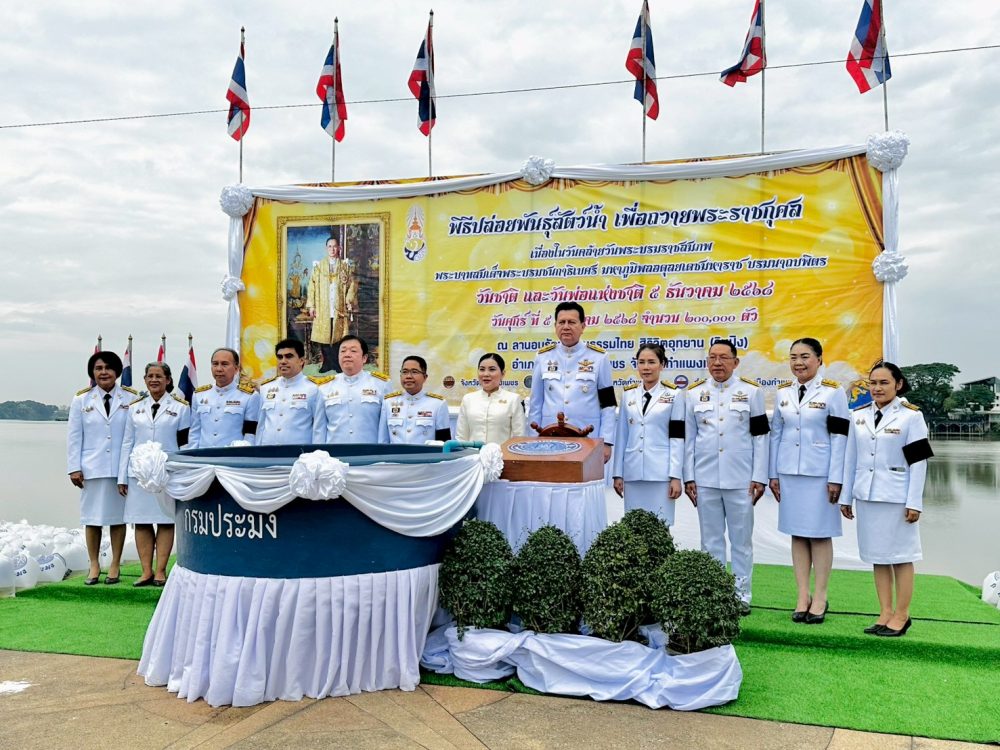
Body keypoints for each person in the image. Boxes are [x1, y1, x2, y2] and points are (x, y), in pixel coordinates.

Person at [840, 361, 932, 637]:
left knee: (901, 557)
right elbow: (850, 459)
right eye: (873, 383)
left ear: (898, 384)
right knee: (878, 556)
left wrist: (914, 502)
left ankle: (902, 615)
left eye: (884, 383)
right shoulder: (858, 415)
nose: (877, 388)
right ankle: (885, 612)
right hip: (867, 495)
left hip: (897, 497)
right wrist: (846, 496)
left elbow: (919, 463)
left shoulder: (911, 416)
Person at [683, 339, 769, 614]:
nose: (717, 363)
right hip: (705, 478)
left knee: (741, 540)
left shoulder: (751, 392)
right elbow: (688, 439)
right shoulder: (694, 394)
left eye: (723, 357)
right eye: (712, 357)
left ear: (736, 362)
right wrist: (688, 477)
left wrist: (760, 476)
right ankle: (714, 594)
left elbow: (761, 438)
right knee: (710, 540)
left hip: (741, 479)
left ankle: (741, 595)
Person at [769, 338, 850, 624]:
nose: (798, 362)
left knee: (819, 534)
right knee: (798, 533)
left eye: (804, 356)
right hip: (789, 472)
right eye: (793, 357)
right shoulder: (783, 392)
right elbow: (776, 434)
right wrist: (773, 474)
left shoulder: (833, 392)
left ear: (819, 359)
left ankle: (821, 597)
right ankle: (802, 596)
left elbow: (840, 437)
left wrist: (836, 477)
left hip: (821, 475)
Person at [66, 351, 137, 585]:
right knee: (92, 518)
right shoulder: (81, 399)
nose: (103, 372)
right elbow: (74, 436)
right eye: (98, 368)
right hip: (91, 468)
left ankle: (115, 564)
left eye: (108, 368)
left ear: (117, 371)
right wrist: (74, 467)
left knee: (118, 518)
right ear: (92, 373)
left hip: (120, 469)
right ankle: (94, 564)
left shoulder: (131, 398)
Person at [118, 362, 190, 587]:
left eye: (159, 376)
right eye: (150, 376)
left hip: (167, 473)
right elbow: (127, 442)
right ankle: (146, 571)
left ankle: (160, 571)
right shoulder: (135, 407)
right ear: (145, 380)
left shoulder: (181, 407)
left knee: (165, 521)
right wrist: (122, 476)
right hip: (138, 474)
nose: (154, 380)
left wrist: (184, 473)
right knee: (141, 521)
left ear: (168, 380)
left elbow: (185, 444)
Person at [527, 301, 616, 462]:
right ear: (555, 326)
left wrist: (606, 442)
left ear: (583, 326)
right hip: (549, 439)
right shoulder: (543, 357)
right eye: (561, 322)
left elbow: (608, 404)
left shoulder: (599, 357)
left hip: (587, 438)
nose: (566, 327)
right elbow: (536, 403)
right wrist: (533, 439)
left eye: (572, 322)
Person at [612, 344, 685, 525]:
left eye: (652, 362)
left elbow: (677, 438)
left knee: (660, 526)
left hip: (661, 474)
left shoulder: (674, 394)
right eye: (641, 362)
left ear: (662, 365)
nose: (646, 367)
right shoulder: (628, 395)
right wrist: (617, 474)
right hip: (633, 472)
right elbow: (622, 436)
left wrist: (675, 476)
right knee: (633, 526)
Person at [319, 335, 390, 443]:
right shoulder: (325, 387)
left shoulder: (381, 384)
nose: (347, 355)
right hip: (334, 452)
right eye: (343, 351)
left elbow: (387, 426)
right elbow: (320, 428)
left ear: (364, 358)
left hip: (370, 451)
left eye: (353, 351)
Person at [256, 338, 327, 445]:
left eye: (289, 356)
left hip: (299, 452)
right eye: (280, 357)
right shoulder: (266, 388)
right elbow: (261, 426)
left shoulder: (314, 388)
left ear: (301, 361)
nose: (283, 361)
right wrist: (257, 450)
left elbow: (319, 428)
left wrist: (316, 452)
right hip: (268, 450)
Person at [305, 235, 359, 373]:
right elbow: (311, 287)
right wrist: (311, 306)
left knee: (338, 335)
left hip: (338, 306)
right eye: (330, 246)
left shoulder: (345, 266)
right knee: (324, 336)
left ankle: (336, 363)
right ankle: (326, 364)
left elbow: (352, 285)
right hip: (323, 306)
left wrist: (348, 301)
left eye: (335, 246)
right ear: (326, 248)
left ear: (339, 248)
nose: (332, 249)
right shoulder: (318, 267)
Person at [188, 347, 260, 448]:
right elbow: (194, 431)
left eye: (224, 364)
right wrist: (192, 454)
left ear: (236, 369)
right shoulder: (199, 395)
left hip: (231, 455)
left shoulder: (249, 396)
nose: (219, 369)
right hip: (203, 454)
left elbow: (250, 434)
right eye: (215, 364)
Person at [379, 355, 452, 444]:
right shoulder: (388, 402)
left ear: (425, 377)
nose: (408, 376)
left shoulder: (438, 404)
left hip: (425, 453)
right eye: (405, 372)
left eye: (414, 372)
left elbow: (444, 442)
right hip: (395, 453)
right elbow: (383, 441)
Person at [455, 353, 526, 443]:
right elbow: (461, 437)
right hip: (472, 452)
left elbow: (519, 437)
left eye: (492, 369)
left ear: (502, 374)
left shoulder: (513, 399)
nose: (486, 374)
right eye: (482, 369)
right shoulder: (468, 399)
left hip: (502, 452)